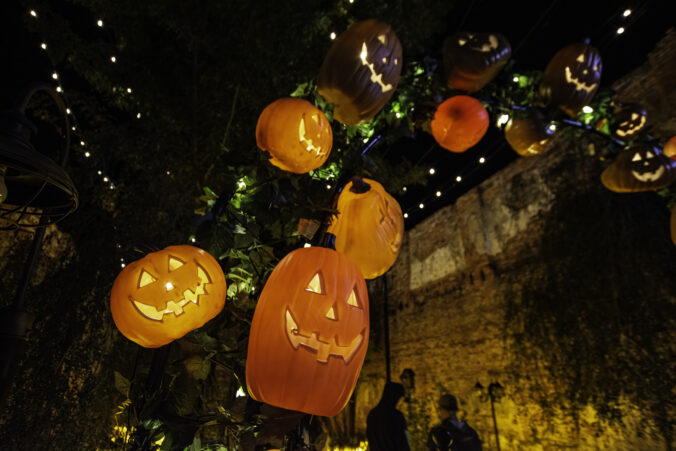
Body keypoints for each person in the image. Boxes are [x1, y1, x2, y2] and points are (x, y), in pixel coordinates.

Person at [366, 381, 411, 451]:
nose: (401, 403)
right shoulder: (396, 416)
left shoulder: (372, 415)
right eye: (400, 399)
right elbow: (403, 442)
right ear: (395, 397)